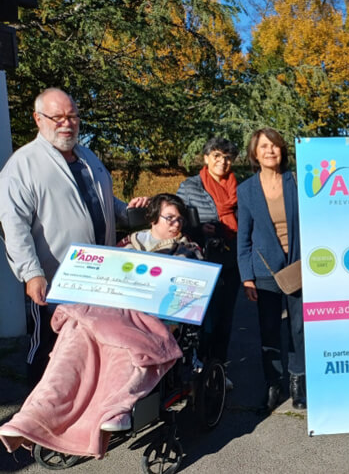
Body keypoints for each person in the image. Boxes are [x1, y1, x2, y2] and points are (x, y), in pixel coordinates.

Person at [0, 194, 194, 458]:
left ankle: (115, 408)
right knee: (75, 333)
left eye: (180, 219)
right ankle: (35, 414)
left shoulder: (188, 250)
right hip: (111, 312)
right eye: (170, 217)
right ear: (152, 218)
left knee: (127, 342)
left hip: (150, 319)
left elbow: (187, 298)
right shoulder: (128, 245)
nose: (176, 224)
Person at [0, 88, 147, 387]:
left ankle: (79, 413)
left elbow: (101, 200)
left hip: (99, 275)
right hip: (56, 281)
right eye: (58, 117)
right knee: (49, 351)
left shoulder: (87, 157)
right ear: (38, 119)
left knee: (91, 347)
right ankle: (33, 421)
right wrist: (31, 274)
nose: (67, 123)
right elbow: (12, 224)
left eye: (73, 116)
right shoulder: (24, 165)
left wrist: (126, 212)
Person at [237, 128, 305, 411]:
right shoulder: (246, 190)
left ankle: (298, 382)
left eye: (275, 146)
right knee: (269, 332)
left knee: (299, 328)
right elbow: (244, 236)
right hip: (264, 270)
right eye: (264, 146)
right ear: (255, 152)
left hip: (299, 265)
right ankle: (273, 384)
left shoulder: (297, 181)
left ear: (282, 151)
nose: (270, 151)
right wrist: (247, 278)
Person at [177, 137, 240, 387]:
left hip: (231, 258)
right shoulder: (190, 186)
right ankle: (197, 366)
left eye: (227, 157)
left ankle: (219, 371)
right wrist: (199, 228)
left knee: (225, 319)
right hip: (202, 260)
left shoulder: (239, 188)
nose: (222, 162)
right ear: (206, 158)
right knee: (204, 319)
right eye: (217, 156)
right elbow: (178, 222)